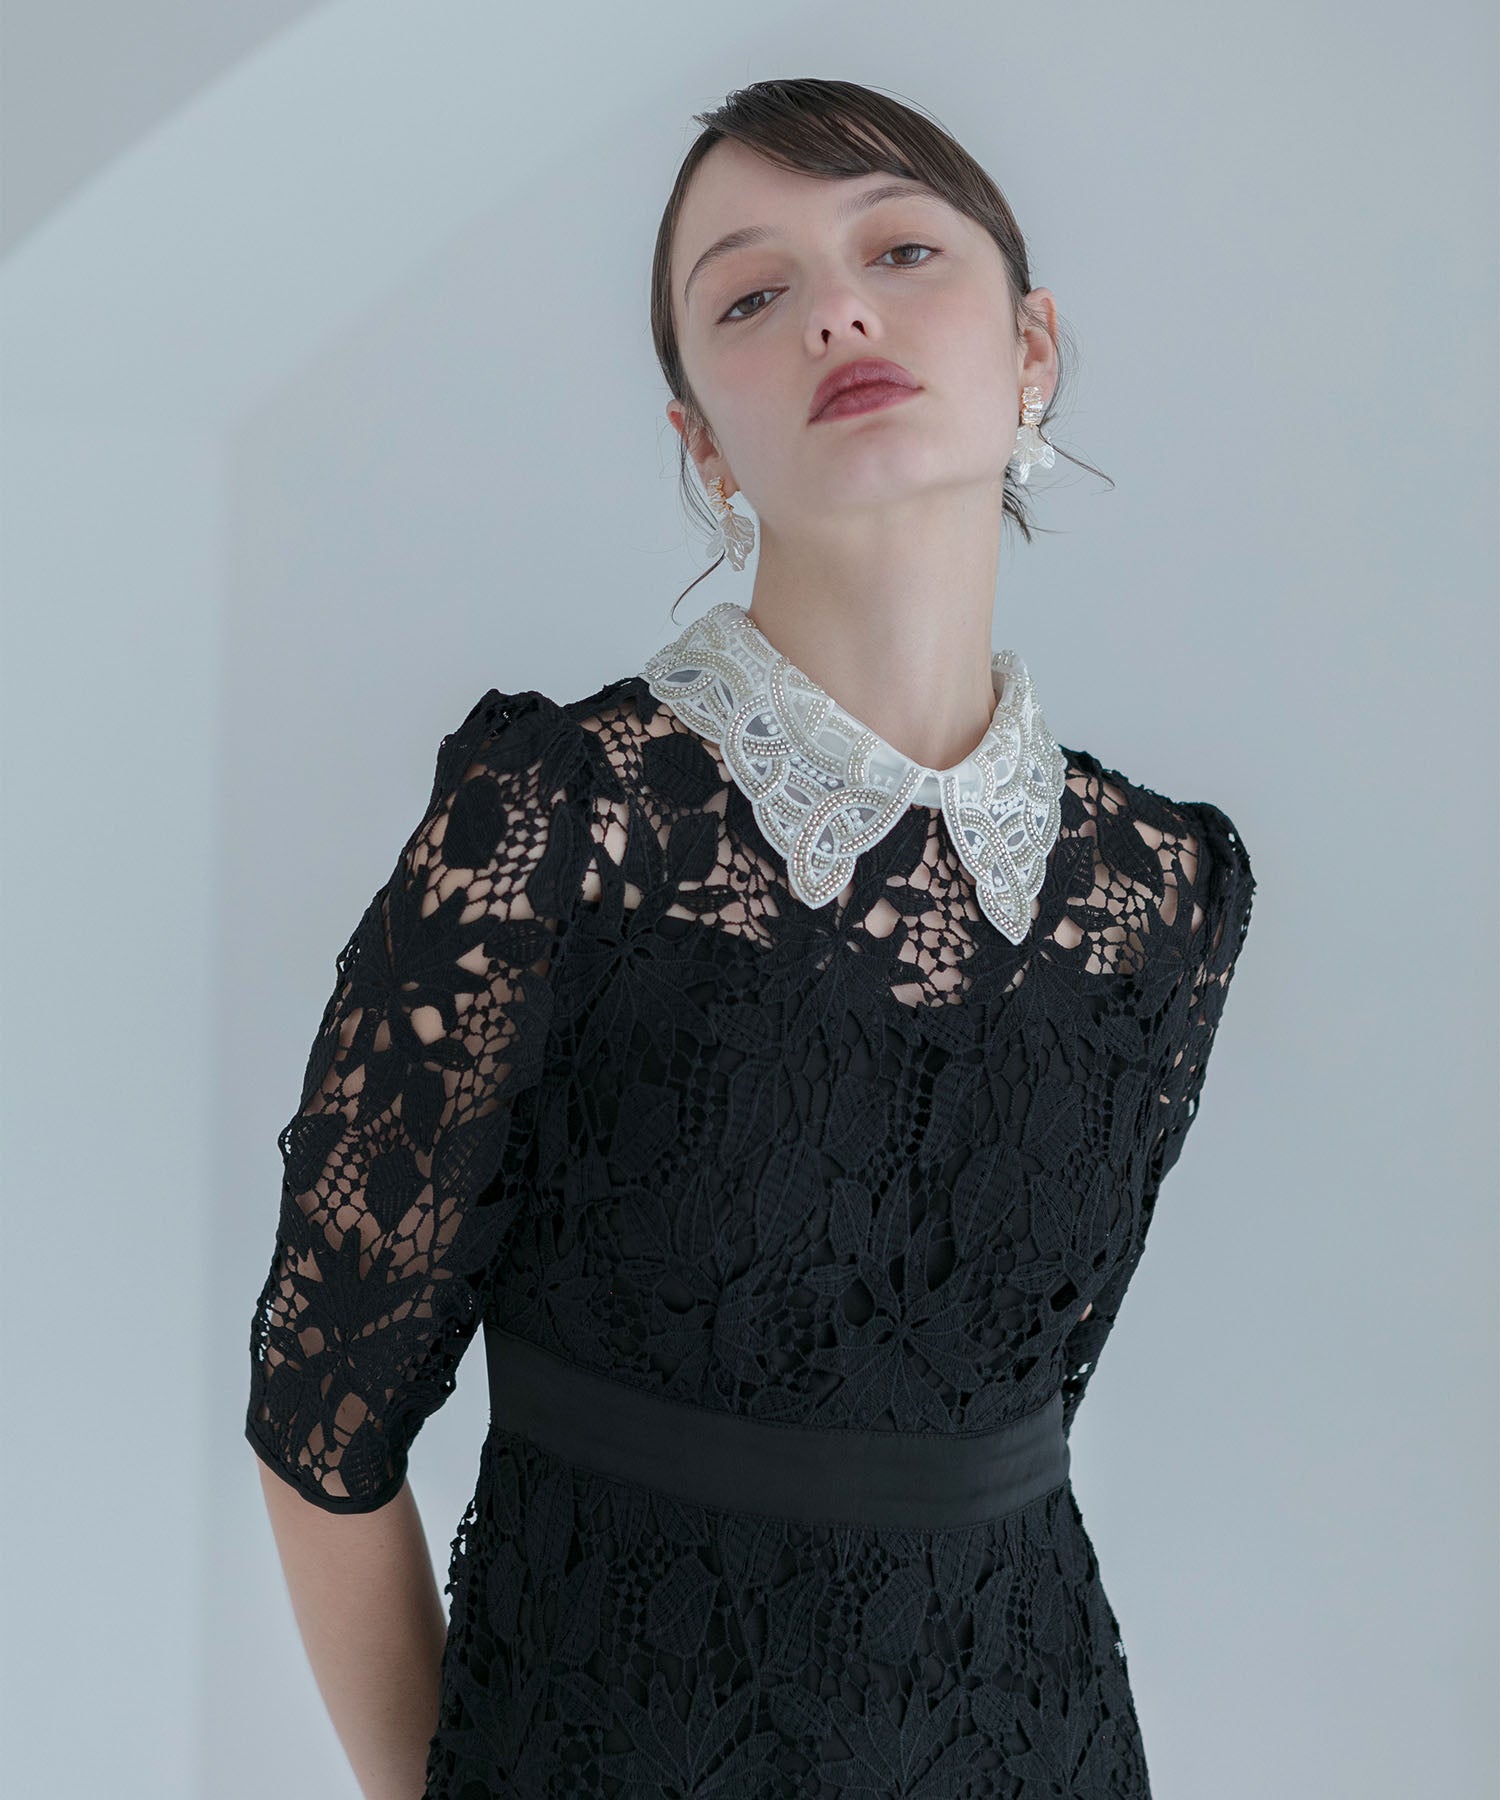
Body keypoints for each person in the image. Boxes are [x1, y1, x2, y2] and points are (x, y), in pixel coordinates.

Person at [246, 78, 1256, 1800]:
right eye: (752, 294)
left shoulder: (1164, 890)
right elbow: (319, 1428)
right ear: (704, 446)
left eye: (900, 249)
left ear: (1031, 351)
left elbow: (1013, 1411)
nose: (838, 311)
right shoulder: (560, 825)